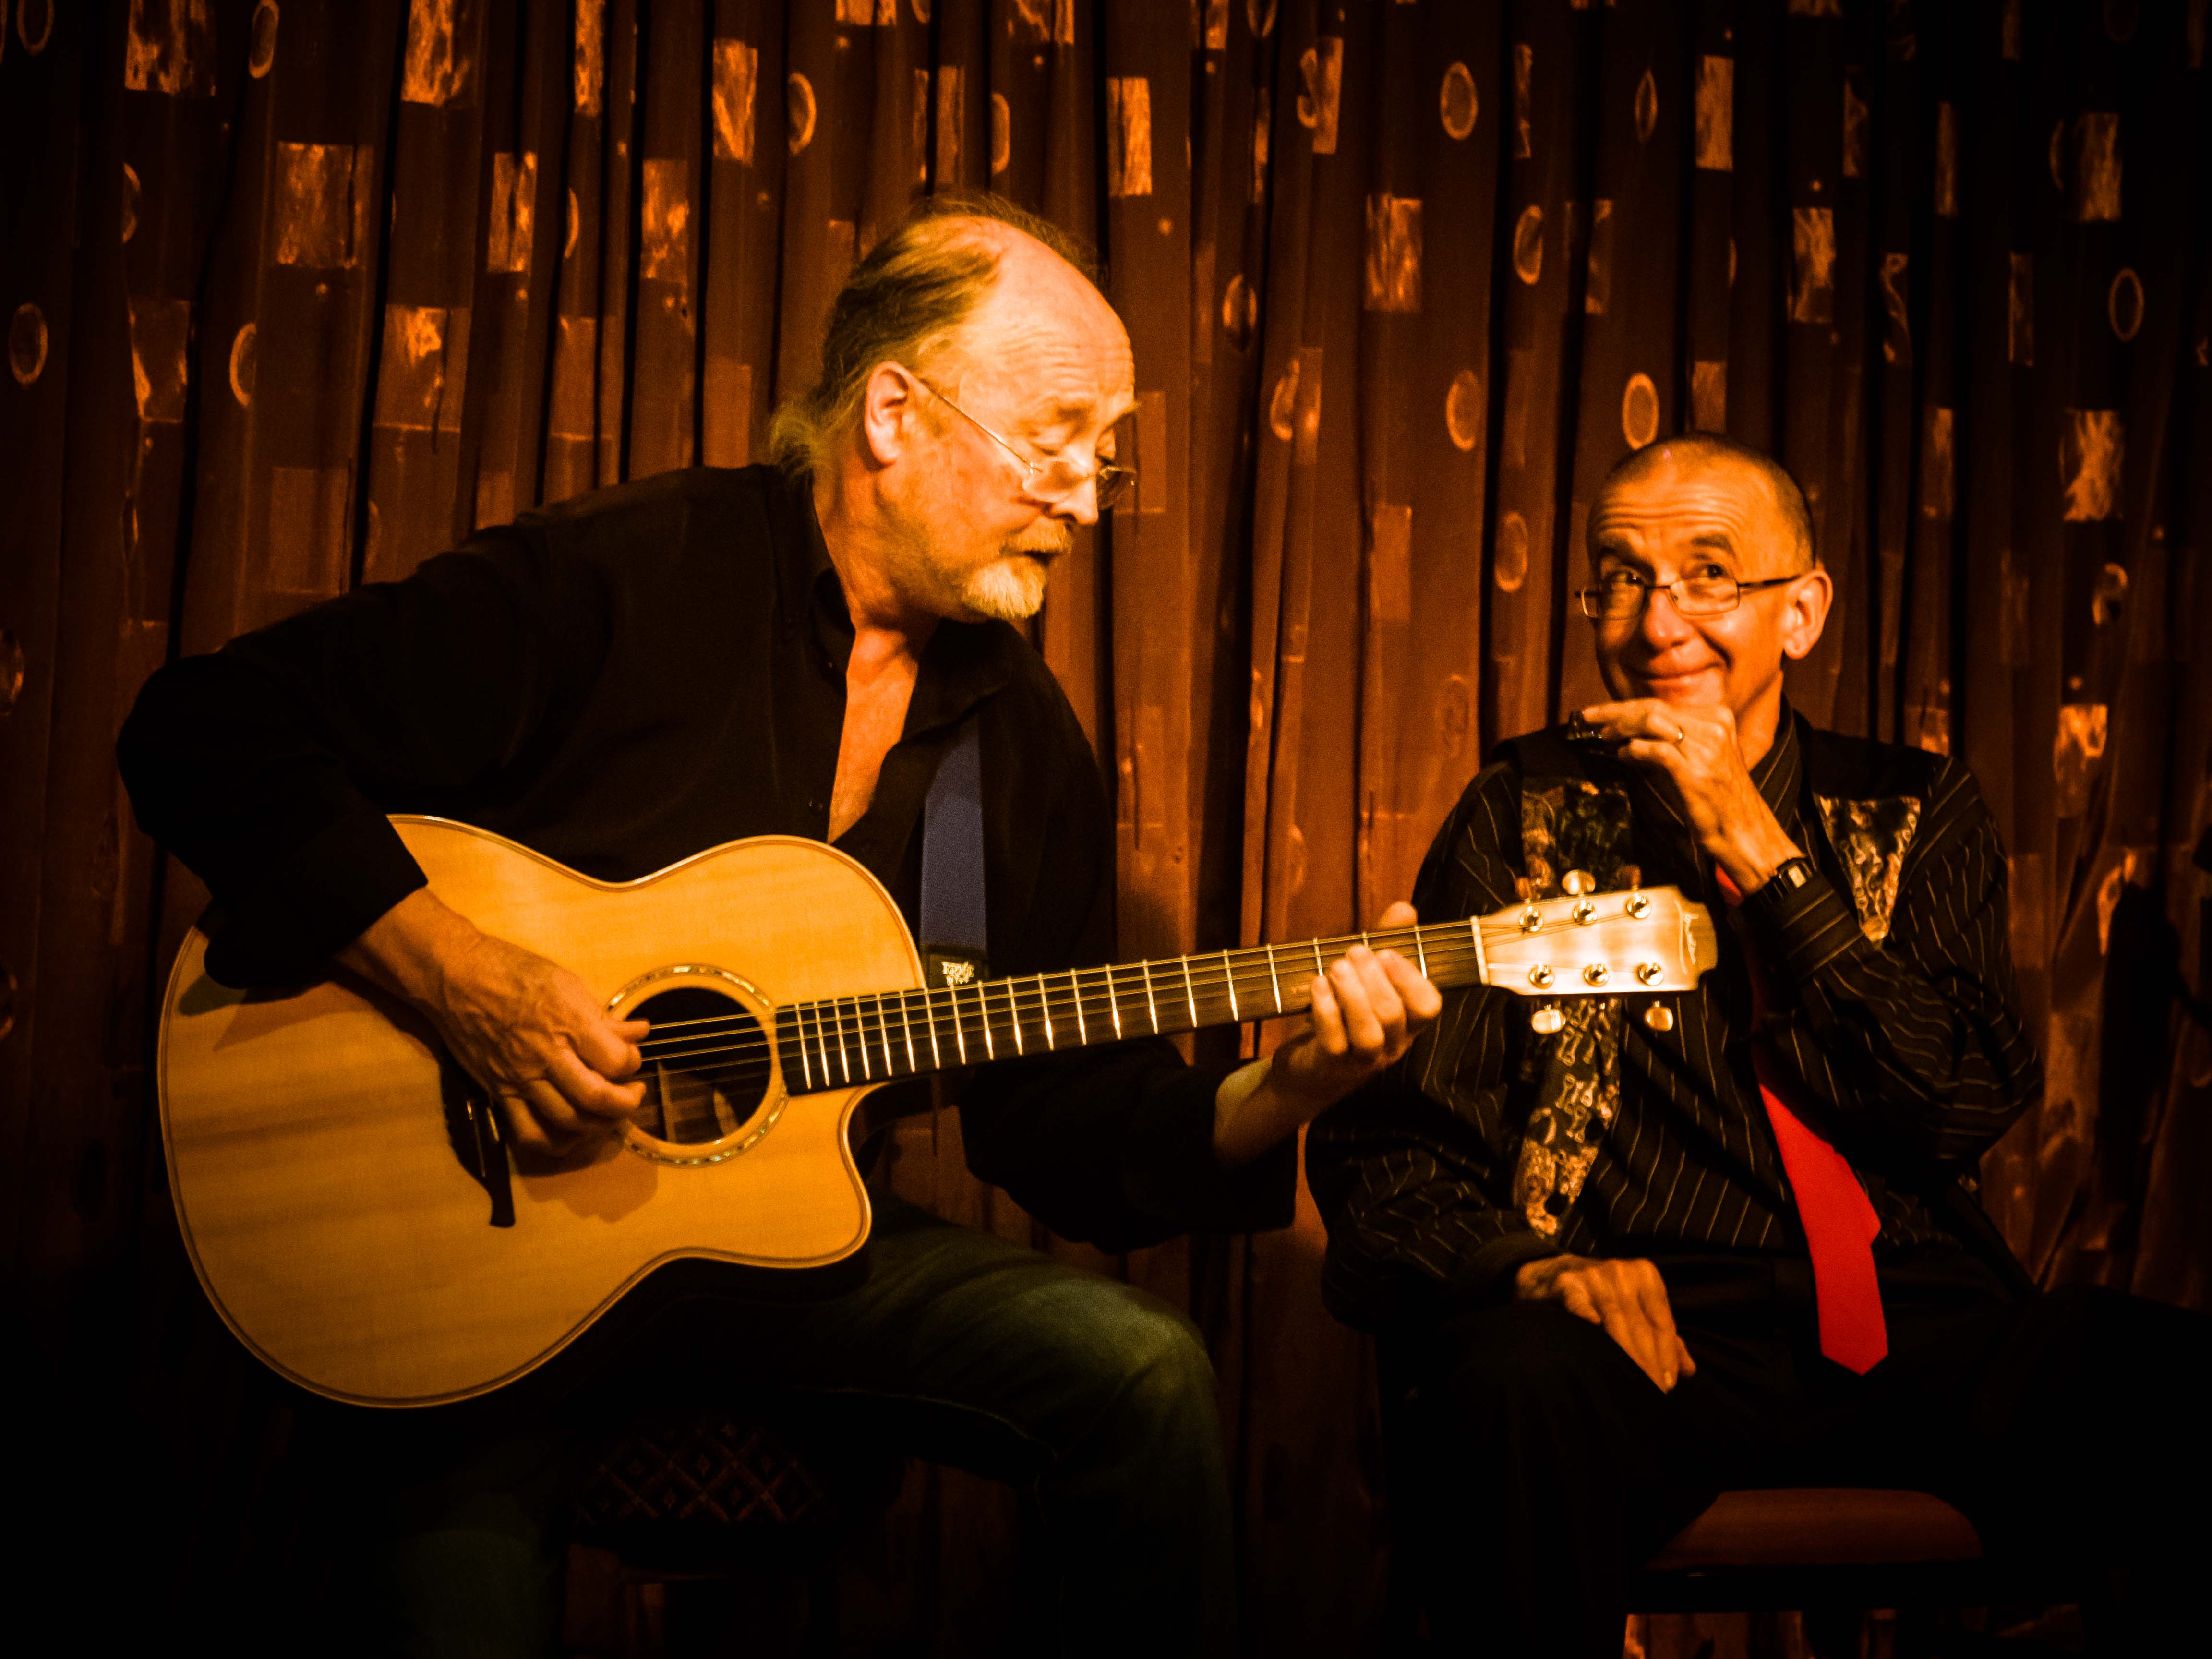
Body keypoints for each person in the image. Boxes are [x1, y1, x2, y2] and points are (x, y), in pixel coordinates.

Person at [119, 193, 1439, 1656]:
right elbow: (204, 731)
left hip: (787, 1263)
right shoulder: (627, 576)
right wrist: (464, 983)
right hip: (468, 1262)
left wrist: (1293, 1086)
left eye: (1106, 456)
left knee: (1140, 1369)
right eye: (1055, 438)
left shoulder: (1018, 742)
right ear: (893, 415)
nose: (1087, 498)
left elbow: (1061, 1124)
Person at [1305, 433, 2211, 1656]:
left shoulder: (1915, 807)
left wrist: (1767, 855)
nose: (1656, 621)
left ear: (1802, 612)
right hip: (1643, 1332)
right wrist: (1532, 1269)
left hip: (1907, 1321)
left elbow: (1957, 1102)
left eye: (1709, 576)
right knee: (1510, 1386)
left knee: (2163, 1378)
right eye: (1620, 578)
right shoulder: (1523, 811)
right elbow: (1390, 1153)